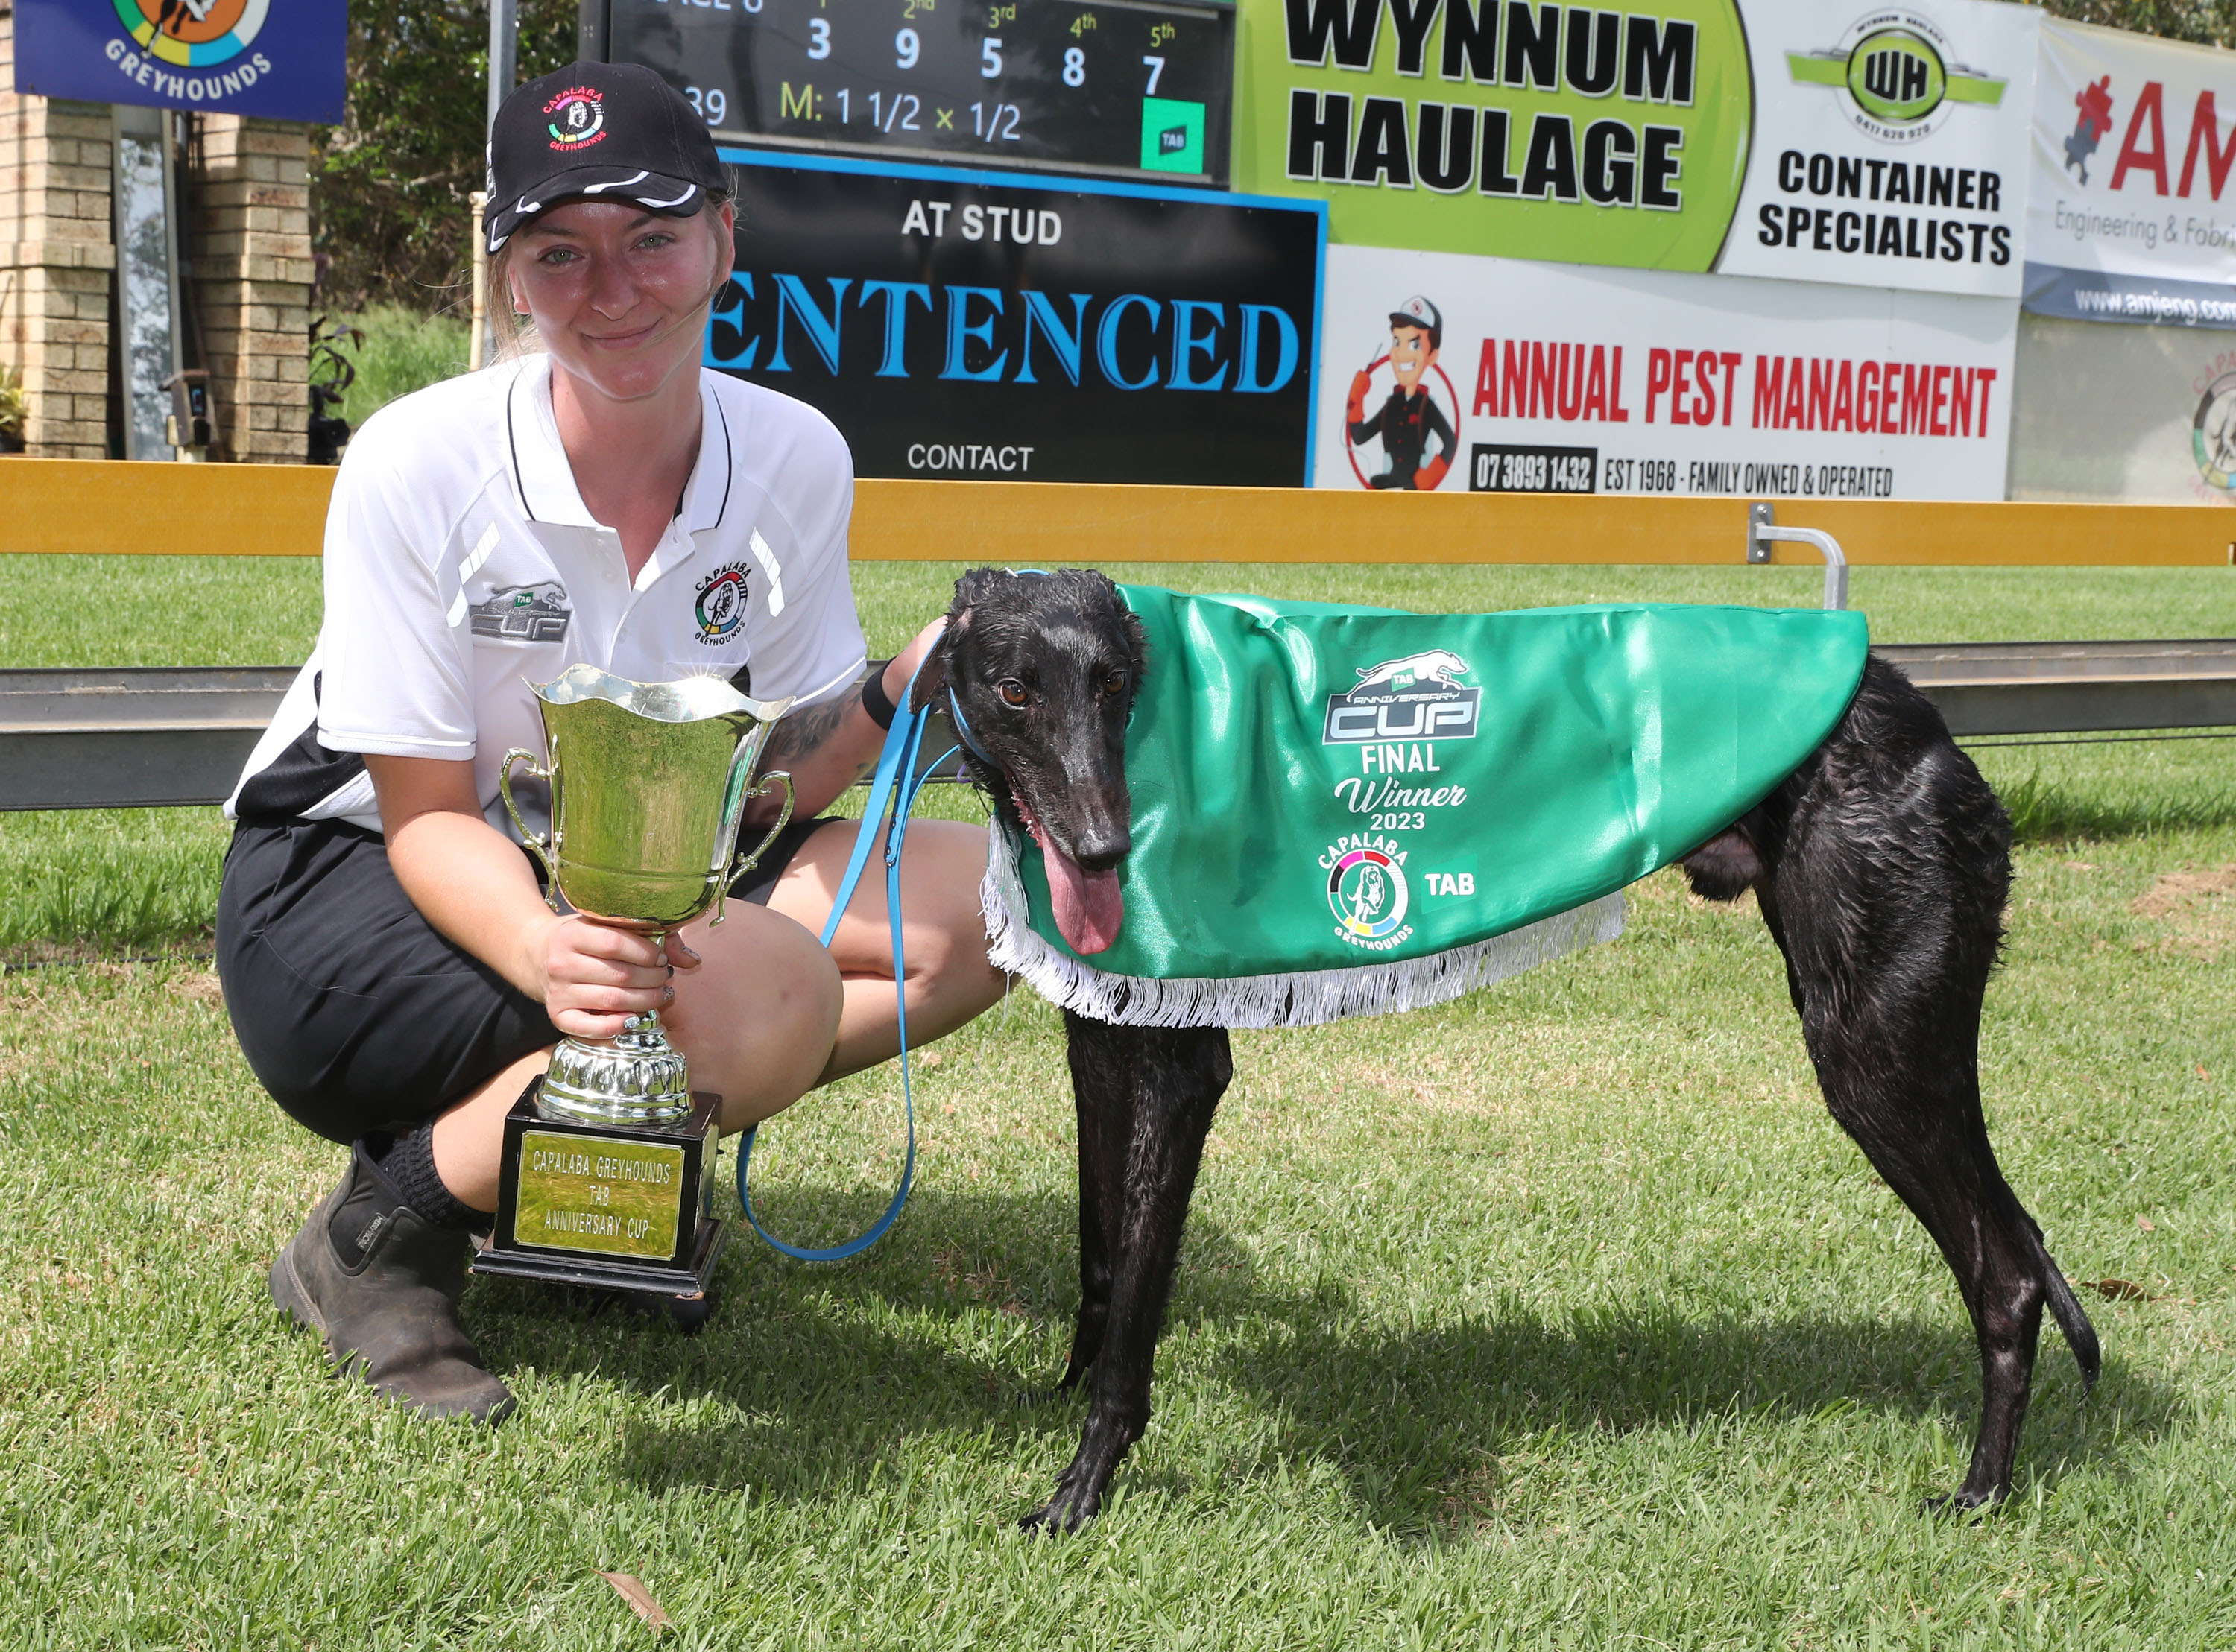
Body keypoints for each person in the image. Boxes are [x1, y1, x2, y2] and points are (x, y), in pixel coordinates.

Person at [217, 61, 1006, 1423]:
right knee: (755, 998)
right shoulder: (418, 460)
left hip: (631, 863)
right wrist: (544, 948)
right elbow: (421, 812)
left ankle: (591, 1176)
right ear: (511, 276)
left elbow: (769, 784)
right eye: (559, 253)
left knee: (997, 910)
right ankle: (376, 1238)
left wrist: (893, 689)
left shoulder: (796, 453)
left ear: (725, 234)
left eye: (653, 237)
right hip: (351, 878)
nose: (615, 287)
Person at [1345, 295, 1454, 491]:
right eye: (1397, 342)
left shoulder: (1425, 405)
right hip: (1393, 480)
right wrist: (1357, 400)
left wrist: (1430, 475)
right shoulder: (1392, 404)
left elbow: (1450, 441)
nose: (1402, 353)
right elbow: (1360, 436)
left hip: (1415, 483)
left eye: (1415, 345)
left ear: (1432, 356)